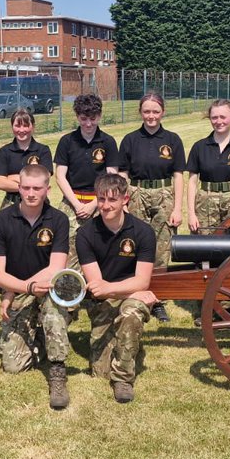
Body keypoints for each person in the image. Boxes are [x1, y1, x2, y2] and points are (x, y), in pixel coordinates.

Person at [0, 164, 73, 409]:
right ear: (19, 188)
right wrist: (16, 290)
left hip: (47, 288)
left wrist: (26, 288)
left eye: (37, 188)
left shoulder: (58, 219)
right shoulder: (0, 220)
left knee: (53, 304)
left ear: (47, 189)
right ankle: (40, 340)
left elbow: (56, 268)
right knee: (14, 367)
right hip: (21, 289)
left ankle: (57, 372)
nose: (31, 193)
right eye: (26, 187)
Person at [76, 173, 157, 403]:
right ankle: (127, 345)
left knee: (131, 312)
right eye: (101, 199)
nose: (106, 206)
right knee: (101, 371)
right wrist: (132, 290)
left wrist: (133, 292)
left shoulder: (143, 232)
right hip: (103, 302)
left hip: (130, 299)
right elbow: (98, 288)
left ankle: (123, 379)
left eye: (112, 199)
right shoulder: (85, 234)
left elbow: (143, 281)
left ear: (125, 199)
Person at [117, 93, 186, 271]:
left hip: (164, 194)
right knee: (135, 239)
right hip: (136, 194)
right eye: (146, 111)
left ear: (163, 112)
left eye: (156, 111)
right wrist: (124, 201)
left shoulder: (173, 140)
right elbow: (123, 173)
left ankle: (159, 284)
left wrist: (178, 208)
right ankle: (136, 283)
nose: (151, 116)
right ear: (140, 112)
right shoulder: (130, 140)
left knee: (163, 241)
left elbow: (179, 175)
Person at [53, 93, 119, 267]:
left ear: (99, 116)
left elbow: (111, 178)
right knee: (64, 247)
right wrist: (76, 205)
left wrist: (94, 204)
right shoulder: (67, 141)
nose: (88, 124)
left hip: (100, 201)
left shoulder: (108, 142)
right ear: (77, 117)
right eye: (83, 119)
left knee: (104, 245)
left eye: (93, 118)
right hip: (72, 201)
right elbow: (60, 176)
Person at [186, 99, 230, 235]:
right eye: (214, 117)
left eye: (223, 117)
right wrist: (191, 214)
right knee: (205, 246)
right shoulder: (199, 147)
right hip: (205, 204)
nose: (218, 121)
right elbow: (192, 183)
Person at [0, 108, 53, 209]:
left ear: (33, 127)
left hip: (38, 203)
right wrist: (31, 185)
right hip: (11, 203)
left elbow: (44, 180)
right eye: (17, 125)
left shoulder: (43, 151)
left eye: (25, 125)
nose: (21, 130)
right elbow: (0, 183)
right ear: (12, 127)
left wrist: (12, 178)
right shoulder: (4, 151)